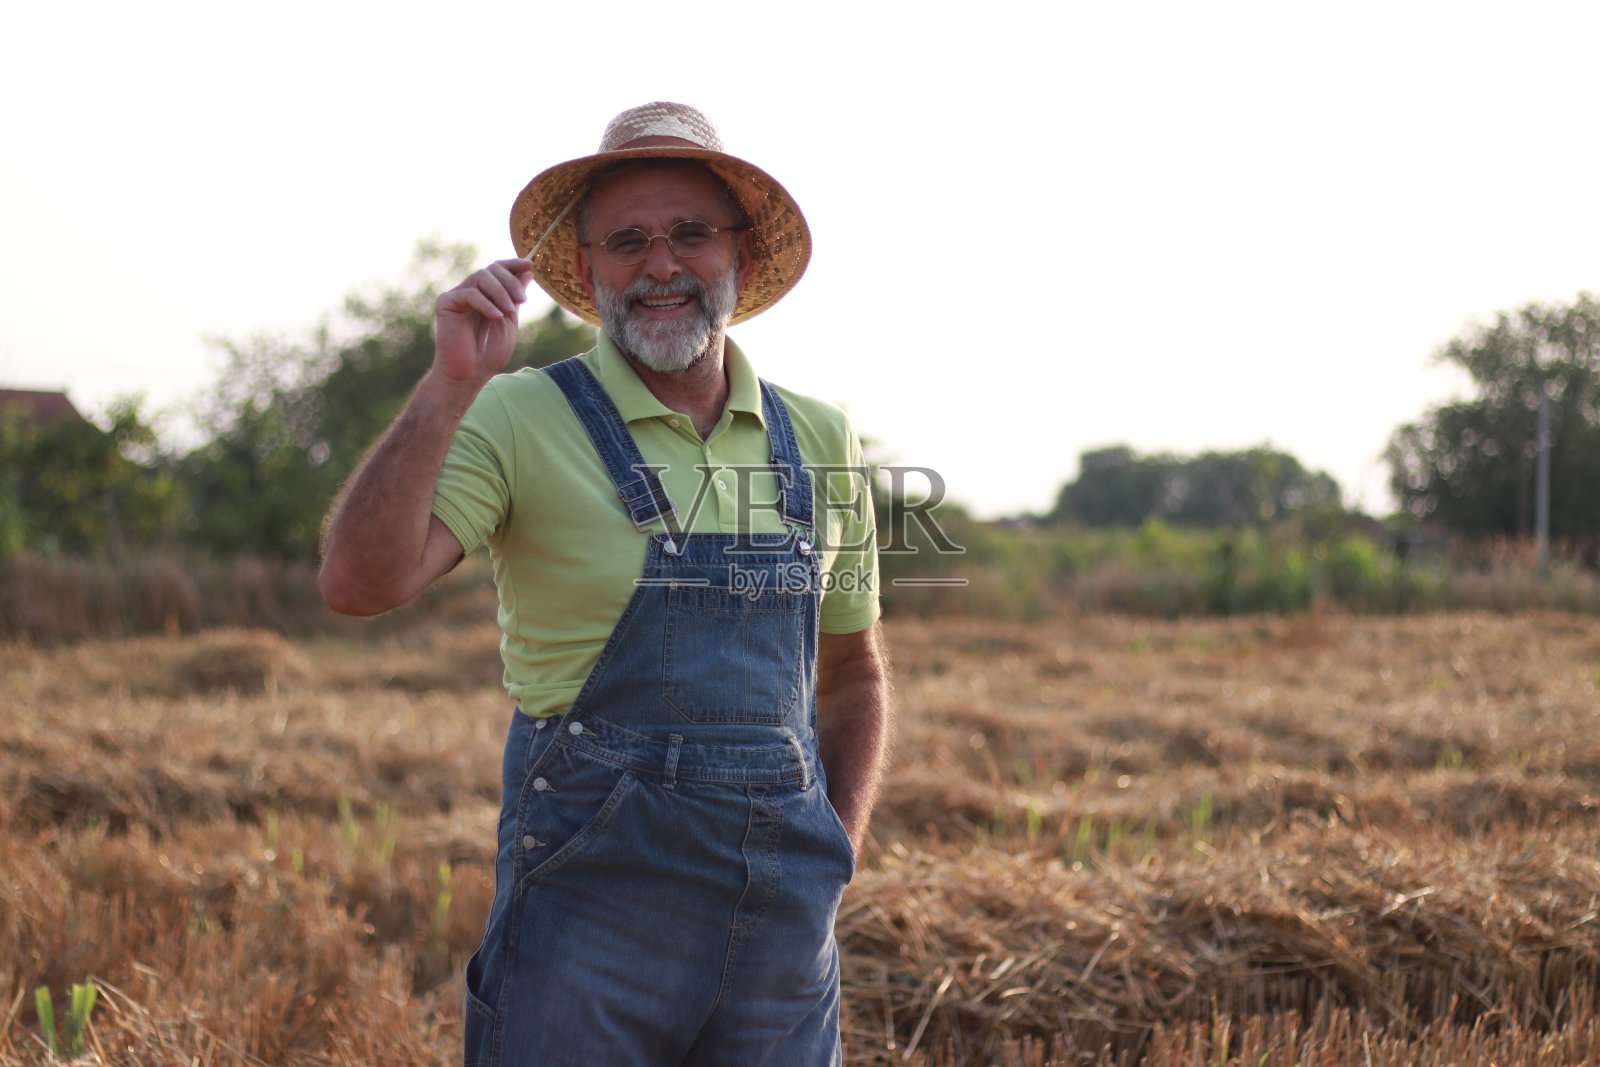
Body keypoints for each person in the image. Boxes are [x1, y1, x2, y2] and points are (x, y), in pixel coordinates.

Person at [318, 101, 892, 1067]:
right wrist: (447, 385)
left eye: (690, 234)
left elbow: (854, 673)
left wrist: (835, 848)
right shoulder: (516, 414)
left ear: (741, 257)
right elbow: (357, 584)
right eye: (626, 241)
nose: (660, 264)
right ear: (585, 272)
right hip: (590, 916)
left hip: (782, 934)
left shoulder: (821, 437)